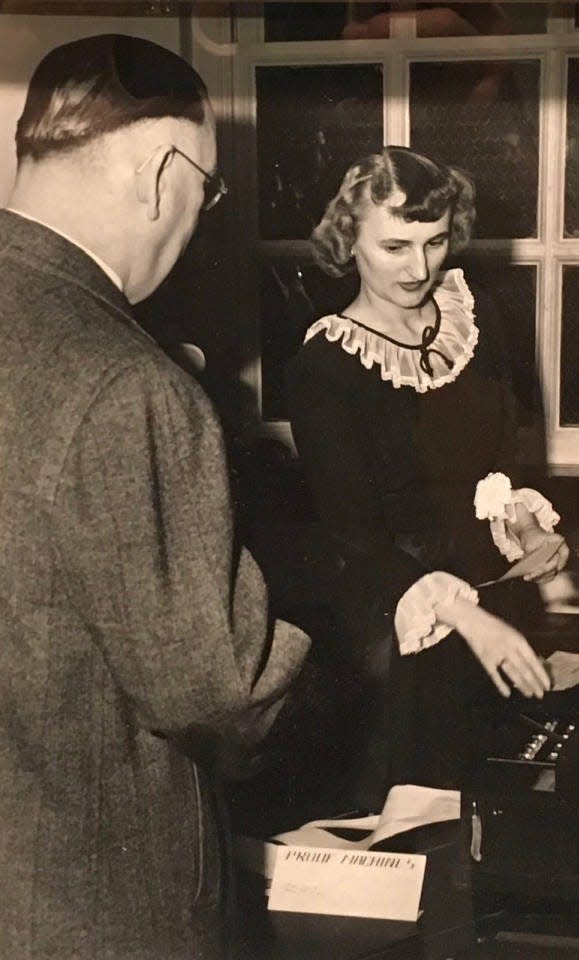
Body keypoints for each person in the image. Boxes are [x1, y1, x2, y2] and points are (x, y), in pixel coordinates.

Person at [0, 35, 311, 960]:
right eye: (206, 190)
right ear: (158, 174)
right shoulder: (132, 387)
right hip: (91, 909)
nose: (196, 218)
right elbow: (218, 691)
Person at [286, 146, 569, 797]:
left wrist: (525, 529)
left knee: (506, 809)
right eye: (395, 247)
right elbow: (354, 537)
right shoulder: (326, 366)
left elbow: (498, 464)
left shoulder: (475, 317)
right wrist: (469, 620)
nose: (419, 267)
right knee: (426, 821)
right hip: (400, 633)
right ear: (347, 240)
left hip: (495, 604)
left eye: (435, 241)